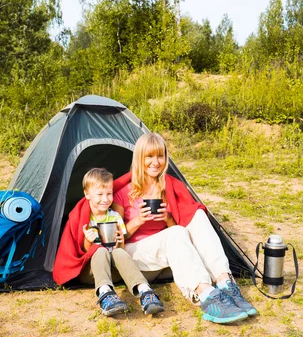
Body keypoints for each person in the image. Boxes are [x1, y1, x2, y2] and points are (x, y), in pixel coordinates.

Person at [111, 133, 257, 324]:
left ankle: (225, 282)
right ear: (139, 158)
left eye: (160, 156)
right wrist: (139, 220)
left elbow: (180, 231)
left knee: (197, 215)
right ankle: (206, 295)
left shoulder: (169, 187)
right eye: (149, 156)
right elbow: (116, 240)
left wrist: (168, 217)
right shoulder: (123, 193)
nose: (156, 162)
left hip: (169, 250)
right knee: (175, 234)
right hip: (135, 253)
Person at [53, 167, 165, 316]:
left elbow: (122, 250)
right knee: (99, 251)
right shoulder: (85, 218)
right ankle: (105, 294)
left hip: (113, 270)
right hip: (92, 271)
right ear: (87, 194)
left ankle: (145, 291)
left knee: (118, 252)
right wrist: (87, 240)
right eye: (99, 194)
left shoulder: (115, 217)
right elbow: (84, 252)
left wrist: (120, 241)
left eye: (109, 194)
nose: (105, 199)